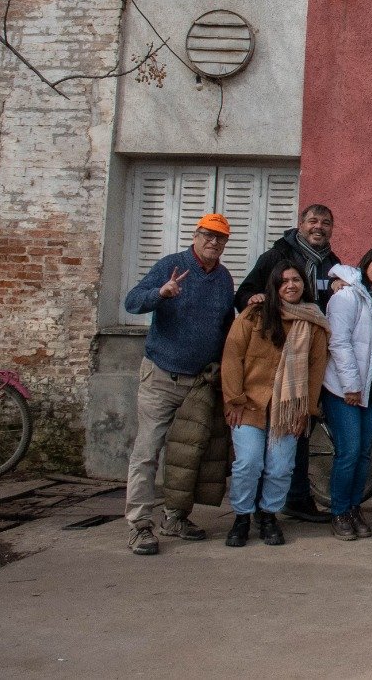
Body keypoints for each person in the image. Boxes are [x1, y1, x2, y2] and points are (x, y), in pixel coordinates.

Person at [121, 214, 237, 555]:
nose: (213, 242)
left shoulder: (224, 278)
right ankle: (140, 524)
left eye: (220, 238)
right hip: (160, 376)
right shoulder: (171, 265)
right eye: (207, 236)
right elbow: (132, 302)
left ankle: (175, 517)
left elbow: (225, 326)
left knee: (189, 454)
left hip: (199, 382)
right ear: (195, 235)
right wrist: (162, 292)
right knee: (147, 451)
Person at [233, 203, 340, 524]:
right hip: (271, 359)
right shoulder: (276, 257)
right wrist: (252, 300)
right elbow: (245, 293)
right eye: (312, 221)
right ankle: (252, 510)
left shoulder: (333, 265)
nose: (318, 227)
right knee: (254, 453)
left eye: (325, 222)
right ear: (300, 224)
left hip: (308, 355)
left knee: (296, 432)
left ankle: (294, 500)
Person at [220, 262, 330, 548]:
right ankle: (242, 516)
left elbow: (316, 369)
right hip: (249, 405)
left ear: (304, 284)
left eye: (296, 280)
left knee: (281, 468)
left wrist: (305, 411)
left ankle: (268, 515)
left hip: (289, 409)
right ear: (274, 286)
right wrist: (234, 400)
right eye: (284, 281)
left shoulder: (313, 322)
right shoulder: (254, 314)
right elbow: (232, 358)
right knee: (248, 463)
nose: (291, 285)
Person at [321, 248, 372, 542]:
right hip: (346, 389)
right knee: (349, 452)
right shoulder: (346, 297)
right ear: (365, 264)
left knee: (365, 454)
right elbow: (339, 343)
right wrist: (351, 386)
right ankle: (340, 512)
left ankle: (355, 508)